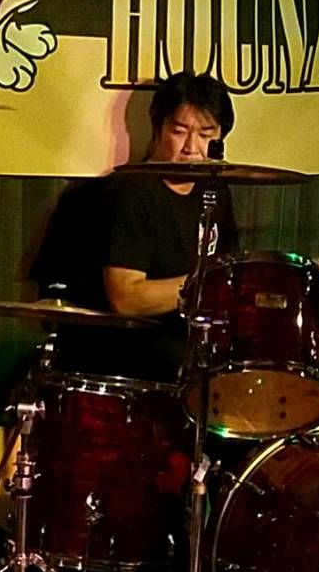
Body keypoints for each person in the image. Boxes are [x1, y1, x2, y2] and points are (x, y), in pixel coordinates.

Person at [40, 71, 241, 382]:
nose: (191, 147)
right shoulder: (131, 192)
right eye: (179, 131)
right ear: (158, 128)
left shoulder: (215, 191)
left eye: (205, 134)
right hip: (133, 358)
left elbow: (230, 275)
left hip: (193, 349)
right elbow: (126, 297)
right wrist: (204, 284)